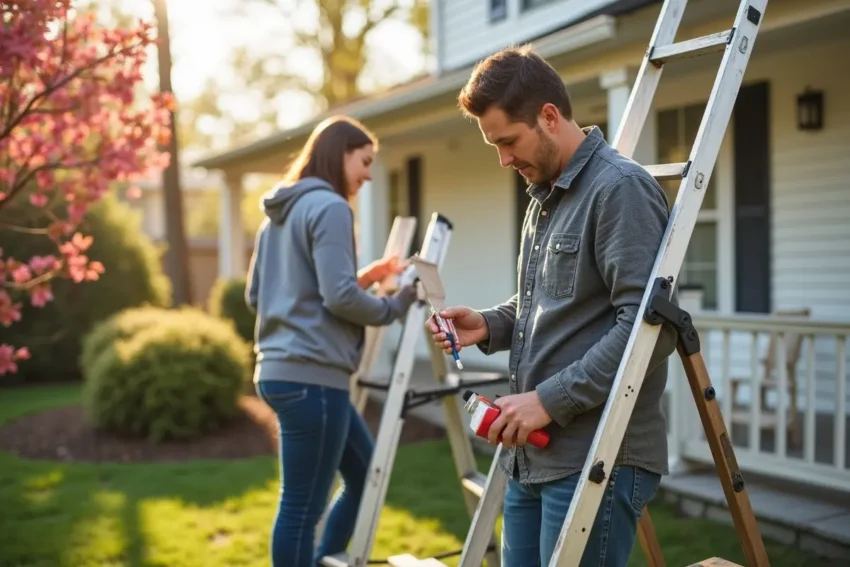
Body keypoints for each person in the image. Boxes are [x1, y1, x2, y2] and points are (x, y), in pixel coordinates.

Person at [428, 46, 678, 566]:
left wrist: (549, 399)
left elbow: (649, 329)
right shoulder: (545, 195)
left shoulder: (621, 191)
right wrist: (489, 325)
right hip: (533, 455)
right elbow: (544, 301)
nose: (502, 159)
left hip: (595, 454)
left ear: (548, 116)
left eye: (507, 141)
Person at [245, 115, 418, 567]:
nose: (368, 173)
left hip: (281, 373)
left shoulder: (276, 219)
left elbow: (261, 295)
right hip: (313, 380)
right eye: (364, 161)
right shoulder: (331, 208)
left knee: (364, 475)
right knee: (301, 510)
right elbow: (338, 297)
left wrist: (366, 276)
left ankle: (326, 560)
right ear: (339, 153)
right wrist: (395, 305)